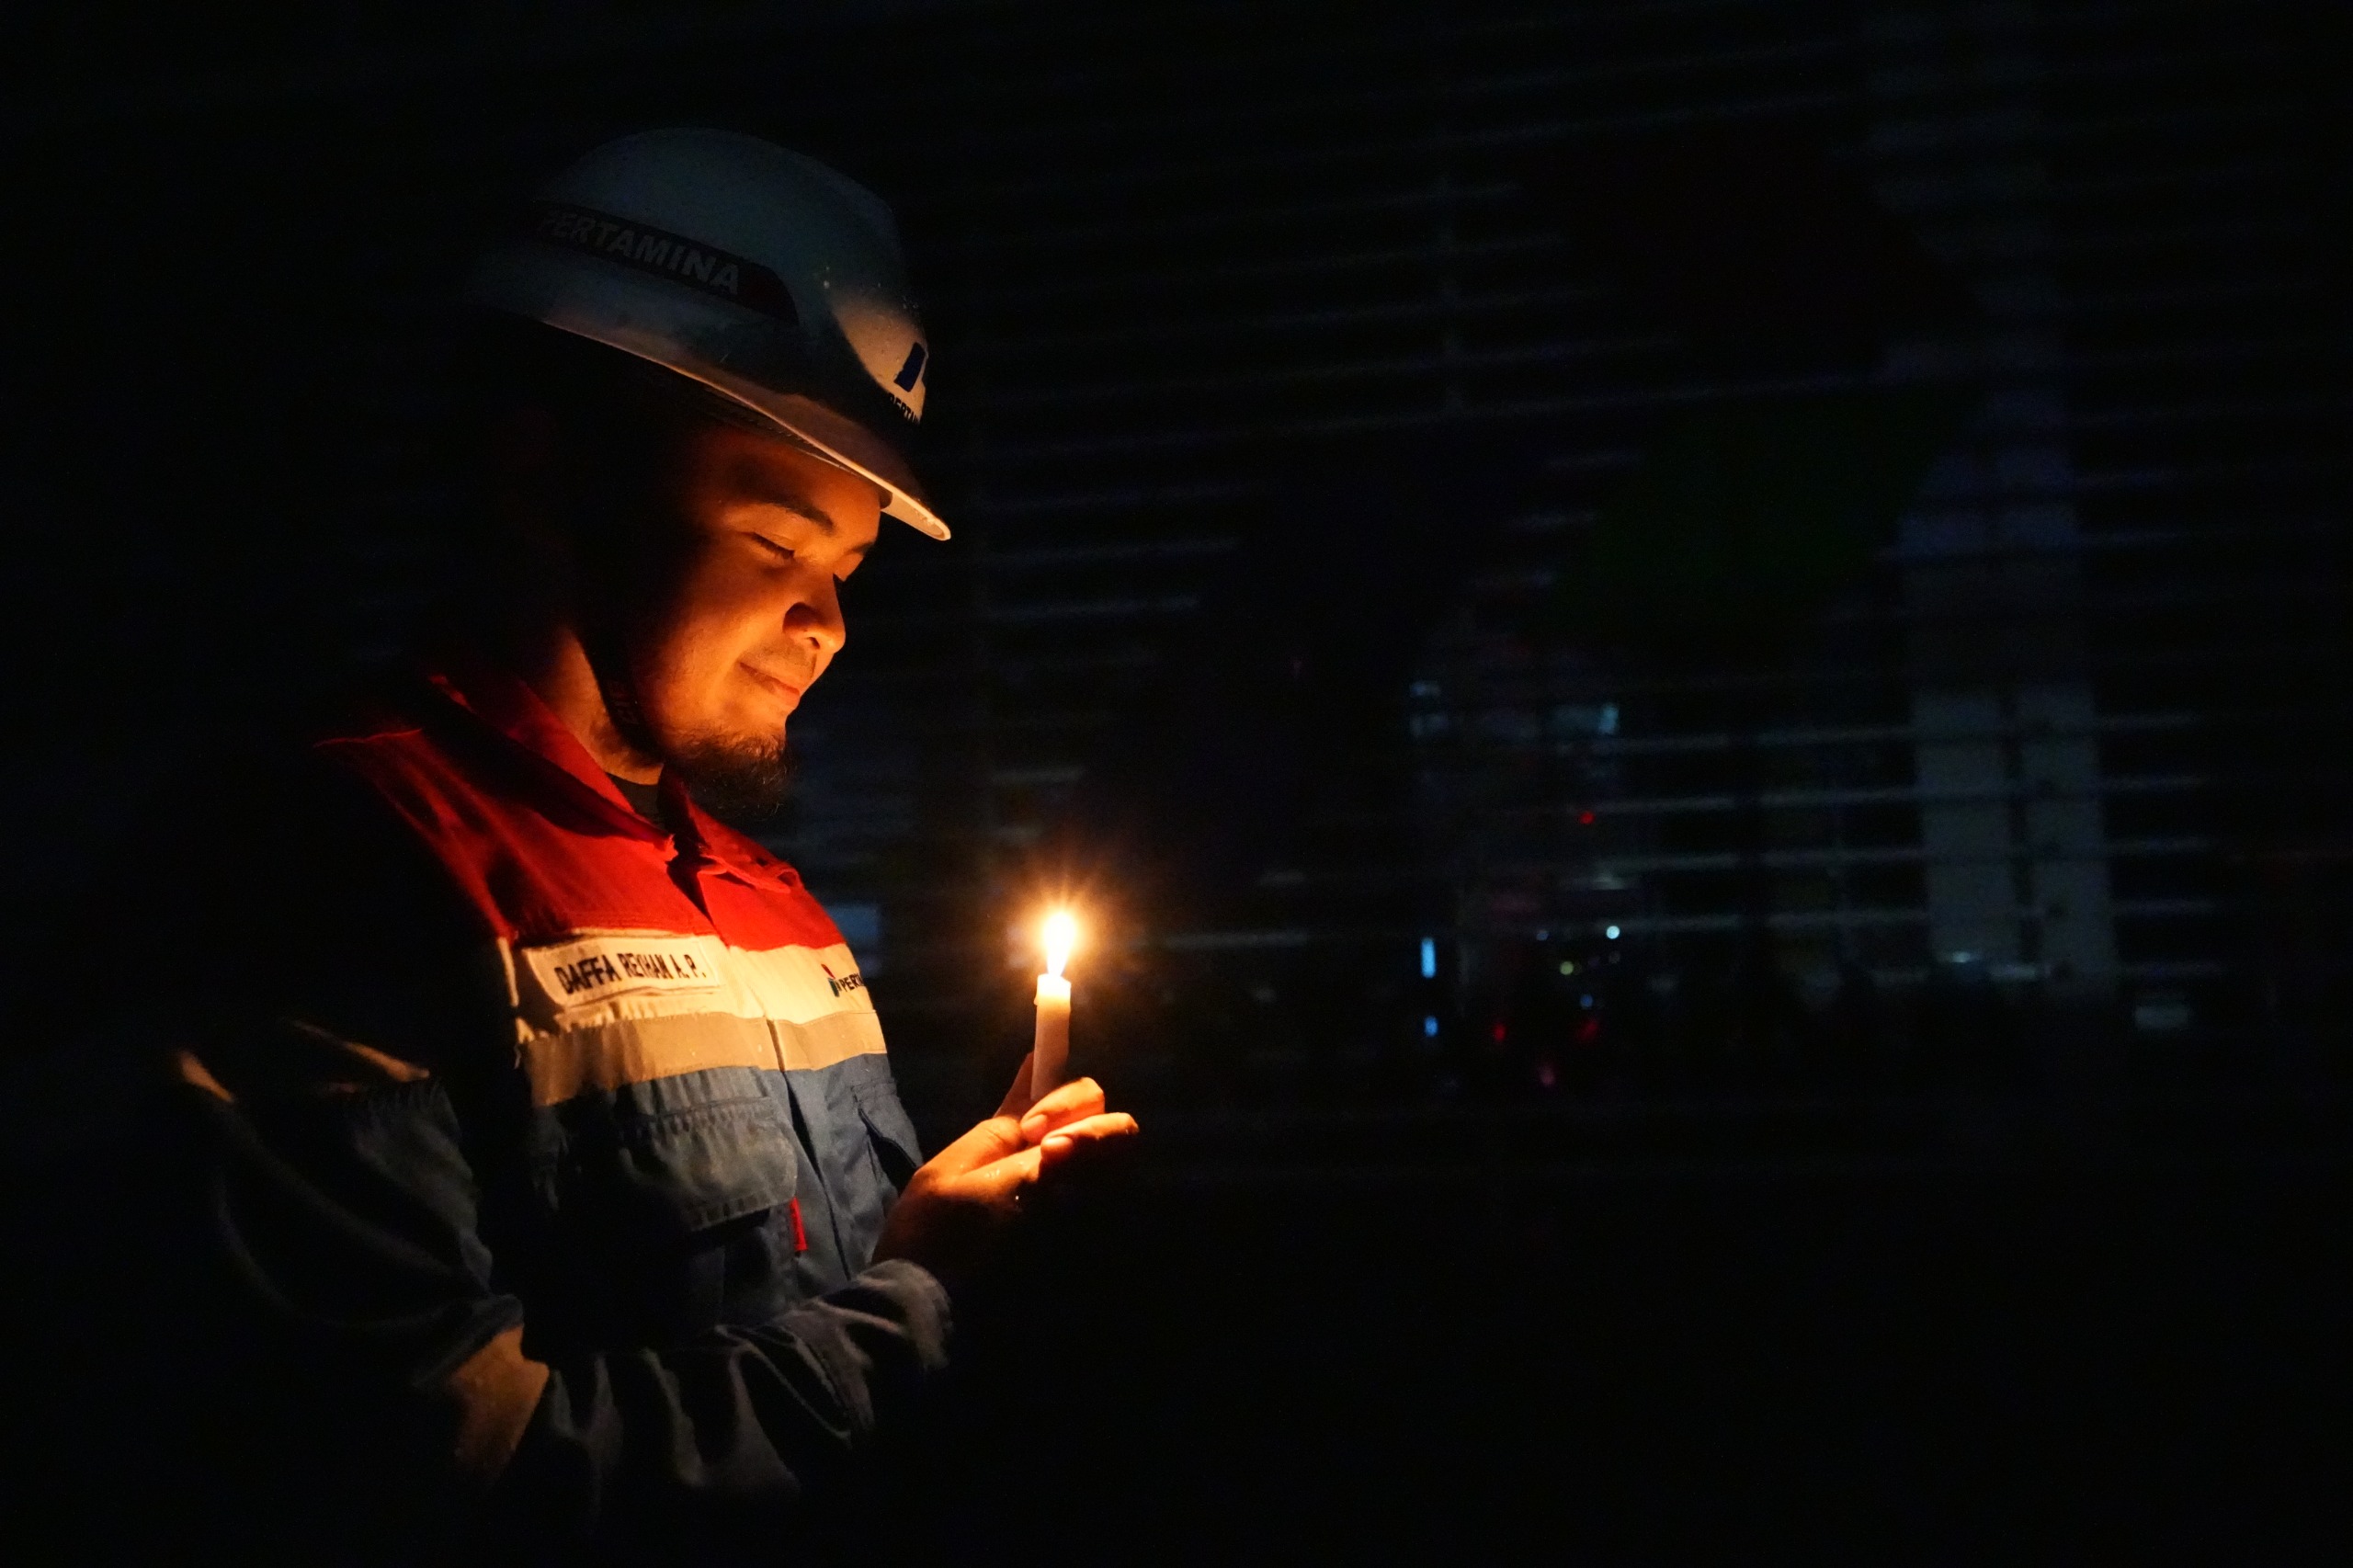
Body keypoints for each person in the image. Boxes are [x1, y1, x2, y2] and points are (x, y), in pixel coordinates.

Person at [108, 128, 1138, 1563]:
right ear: (545, 482)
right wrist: (917, 1305)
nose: (828, 624)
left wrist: (957, 1242)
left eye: (847, 568)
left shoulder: (778, 909)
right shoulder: (319, 873)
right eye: (776, 542)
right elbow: (440, 1470)